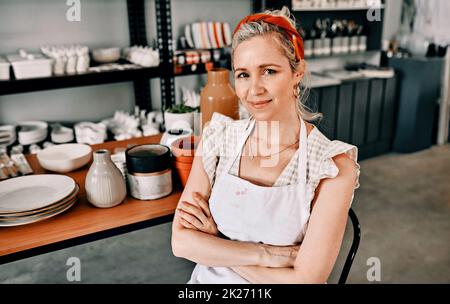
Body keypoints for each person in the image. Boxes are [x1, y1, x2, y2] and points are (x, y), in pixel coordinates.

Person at [171, 6, 360, 284]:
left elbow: (306, 281)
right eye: (243, 75)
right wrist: (267, 255)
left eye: (269, 71)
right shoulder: (219, 137)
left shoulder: (332, 166)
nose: (254, 89)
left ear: (297, 72)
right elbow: (182, 243)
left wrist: (217, 244)